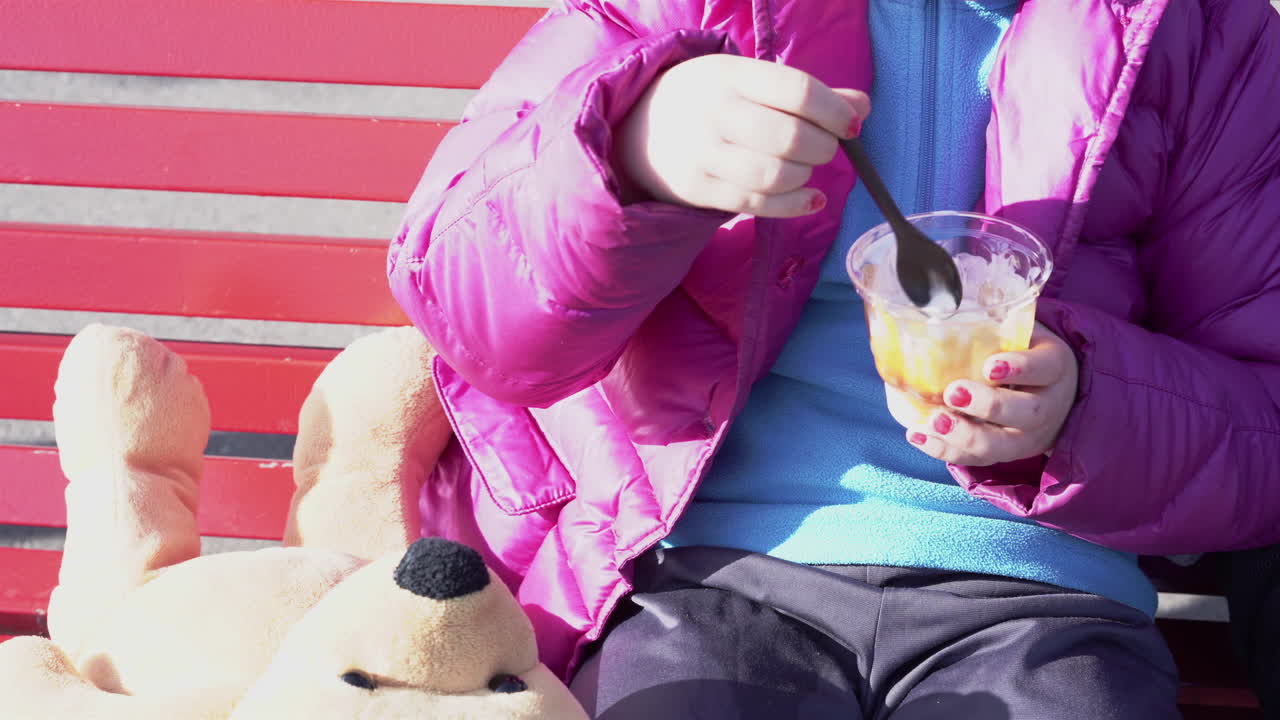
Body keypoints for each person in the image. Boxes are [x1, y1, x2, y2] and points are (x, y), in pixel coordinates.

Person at [387, 0, 1280, 717]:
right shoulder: (680, 11)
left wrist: (1083, 405)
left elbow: (1262, 423)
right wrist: (628, 154)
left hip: (1047, 598)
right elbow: (468, 308)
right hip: (710, 572)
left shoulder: (1201, 33)